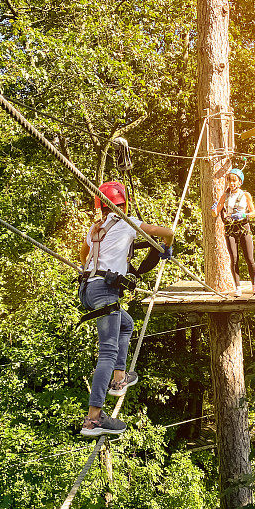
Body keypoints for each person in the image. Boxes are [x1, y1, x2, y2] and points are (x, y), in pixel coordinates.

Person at [79, 181, 174, 437]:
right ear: (124, 203)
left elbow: (83, 254)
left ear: (101, 205)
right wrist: (167, 245)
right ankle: (93, 419)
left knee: (126, 323)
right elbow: (164, 231)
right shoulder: (128, 222)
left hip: (87, 290)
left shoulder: (96, 227)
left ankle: (119, 378)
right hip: (105, 292)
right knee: (107, 353)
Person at [211, 168, 255, 297]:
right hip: (230, 229)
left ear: (239, 182)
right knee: (234, 259)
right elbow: (215, 213)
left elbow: (254, 213)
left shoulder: (246, 195)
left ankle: (254, 285)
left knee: (249, 258)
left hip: (243, 227)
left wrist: (244, 215)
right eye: (229, 181)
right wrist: (213, 209)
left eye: (234, 181)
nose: (231, 183)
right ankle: (237, 287)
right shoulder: (225, 196)